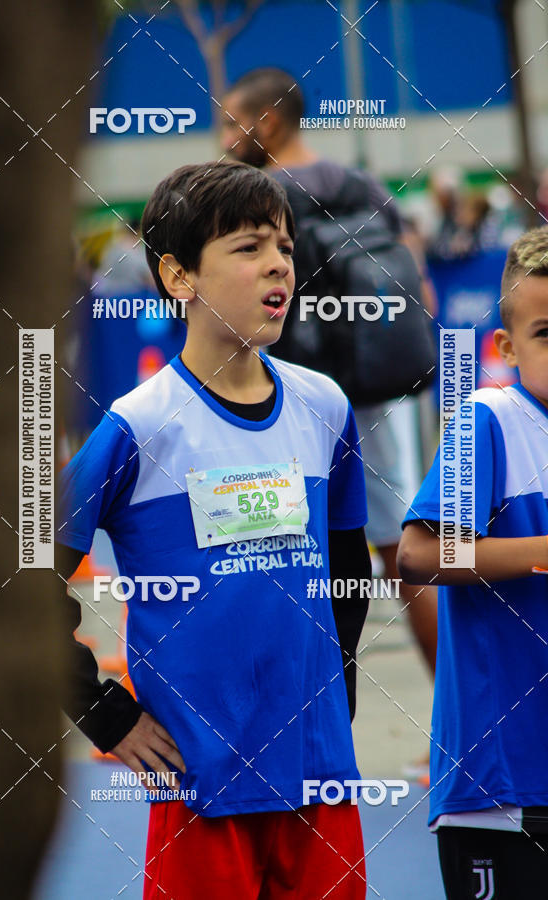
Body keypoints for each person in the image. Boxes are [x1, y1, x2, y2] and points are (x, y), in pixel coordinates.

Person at [56, 161, 372, 899]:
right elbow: (23, 581)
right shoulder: (138, 424)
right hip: (202, 789)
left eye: (285, 246)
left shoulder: (325, 406)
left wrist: (335, 699)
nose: (279, 264)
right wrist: (104, 715)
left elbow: (350, 572)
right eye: (249, 247)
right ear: (179, 277)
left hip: (321, 784)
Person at [221, 67, 438, 682]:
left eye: (232, 123)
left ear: (267, 122)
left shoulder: (259, 196)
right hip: (375, 391)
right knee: (401, 549)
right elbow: (416, 287)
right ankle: (458, 718)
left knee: (286, 551)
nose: (225, 138)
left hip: (294, 397)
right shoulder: (360, 184)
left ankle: (307, 713)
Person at [397, 226, 548, 898]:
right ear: (508, 348)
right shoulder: (486, 420)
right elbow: (420, 553)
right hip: (501, 786)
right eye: (546, 333)